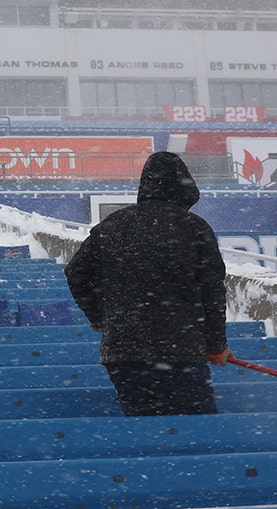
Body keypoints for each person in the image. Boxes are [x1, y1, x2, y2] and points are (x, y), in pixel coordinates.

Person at [65, 151, 230, 416]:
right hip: (182, 351)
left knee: (143, 429)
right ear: (184, 187)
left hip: (124, 353)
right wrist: (215, 345)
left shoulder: (113, 225)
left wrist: (99, 317)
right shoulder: (194, 227)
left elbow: (76, 273)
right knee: (199, 432)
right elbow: (212, 292)